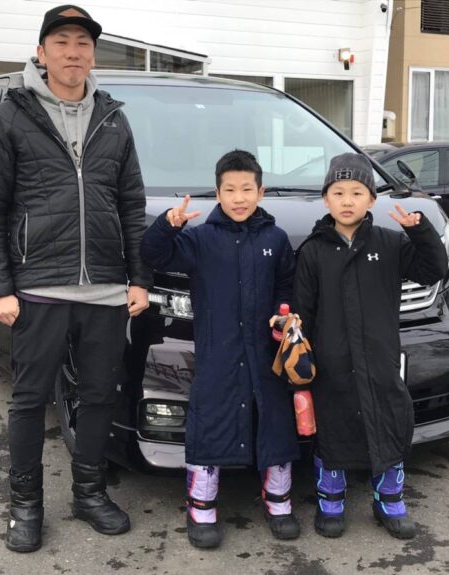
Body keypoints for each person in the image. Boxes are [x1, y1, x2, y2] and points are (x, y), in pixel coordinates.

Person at [0, 4, 152, 553]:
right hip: (38, 288)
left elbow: (131, 204)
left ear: (92, 54)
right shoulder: (10, 116)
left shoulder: (113, 118)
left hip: (106, 289)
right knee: (29, 400)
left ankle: (89, 494)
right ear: (41, 51)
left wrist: (138, 278)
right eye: (62, 42)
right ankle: (25, 506)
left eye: (83, 43)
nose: (74, 52)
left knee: (97, 396)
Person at [140, 150, 300, 549]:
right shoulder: (200, 239)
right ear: (217, 193)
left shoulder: (276, 239)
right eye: (230, 190)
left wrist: (284, 314)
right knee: (210, 420)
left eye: (247, 189)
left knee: (273, 419)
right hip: (218, 351)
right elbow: (153, 255)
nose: (238, 198)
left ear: (261, 192)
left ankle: (279, 500)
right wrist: (167, 225)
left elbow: (286, 284)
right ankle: (201, 506)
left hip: (266, 353)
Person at [292, 153, 448, 540]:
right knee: (333, 429)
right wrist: (300, 354)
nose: (347, 200)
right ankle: (331, 501)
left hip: (380, 359)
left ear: (372, 200)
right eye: (338, 192)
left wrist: (420, 232)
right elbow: (302, 310)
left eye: (357, 192)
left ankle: (389, 500)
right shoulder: (313, 250)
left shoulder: (390, 243)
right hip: (331, 363)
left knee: (387, 423)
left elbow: (433, 271)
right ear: (325, 199)